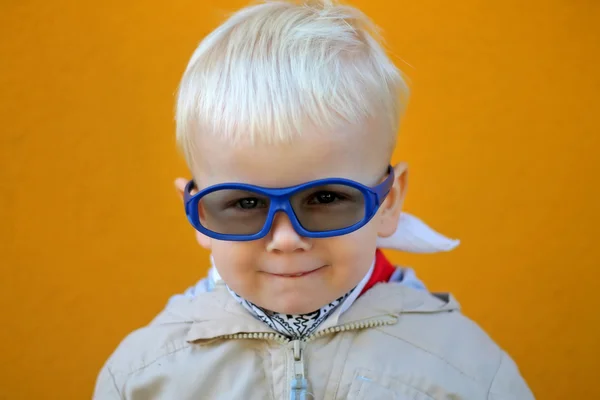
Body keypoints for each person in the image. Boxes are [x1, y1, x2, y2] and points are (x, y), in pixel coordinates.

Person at [94, 1, 534, 398]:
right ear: (197, 212)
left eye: (325, 197)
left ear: (389, 201)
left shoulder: (466, 373)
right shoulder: (146, 375)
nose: (286, 240)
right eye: (245, 204)